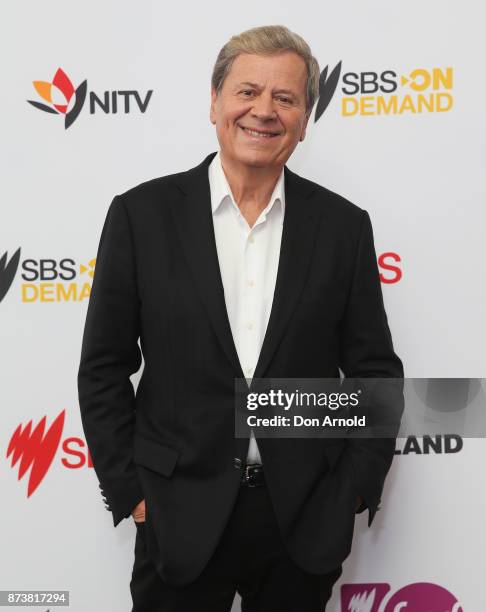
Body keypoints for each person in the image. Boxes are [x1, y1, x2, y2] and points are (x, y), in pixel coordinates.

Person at [77, 24, 404, 611]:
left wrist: (351, 491)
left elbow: (375, 372)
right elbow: (103, 368)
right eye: (247, 91)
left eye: (286, 98)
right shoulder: (140, 216)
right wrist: (132, 492)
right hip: (177, 513)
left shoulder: (343, 228)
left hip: (301, 522)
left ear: (306, 118)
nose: (264, 111)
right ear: (214, 102)